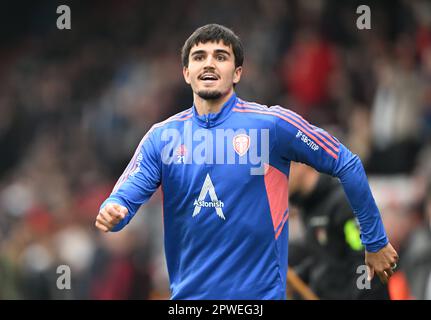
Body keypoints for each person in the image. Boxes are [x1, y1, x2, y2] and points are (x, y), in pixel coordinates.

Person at [95, 24, 399, 299]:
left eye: (221, 56)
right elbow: (124, 197)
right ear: (186, 72)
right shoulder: (161, 138)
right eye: (199, 56)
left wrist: (374, 241)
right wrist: (115, 208)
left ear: (237, 72)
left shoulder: (272, 125)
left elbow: (346, 163)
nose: (209, 63)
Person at [288, 162, 390, 299]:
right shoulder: (307, 207)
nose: (276, 177)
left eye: (282, 165)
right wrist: (297, 277)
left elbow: (365, 261)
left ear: (301, 163)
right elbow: (326, 258)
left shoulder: (344, 202)